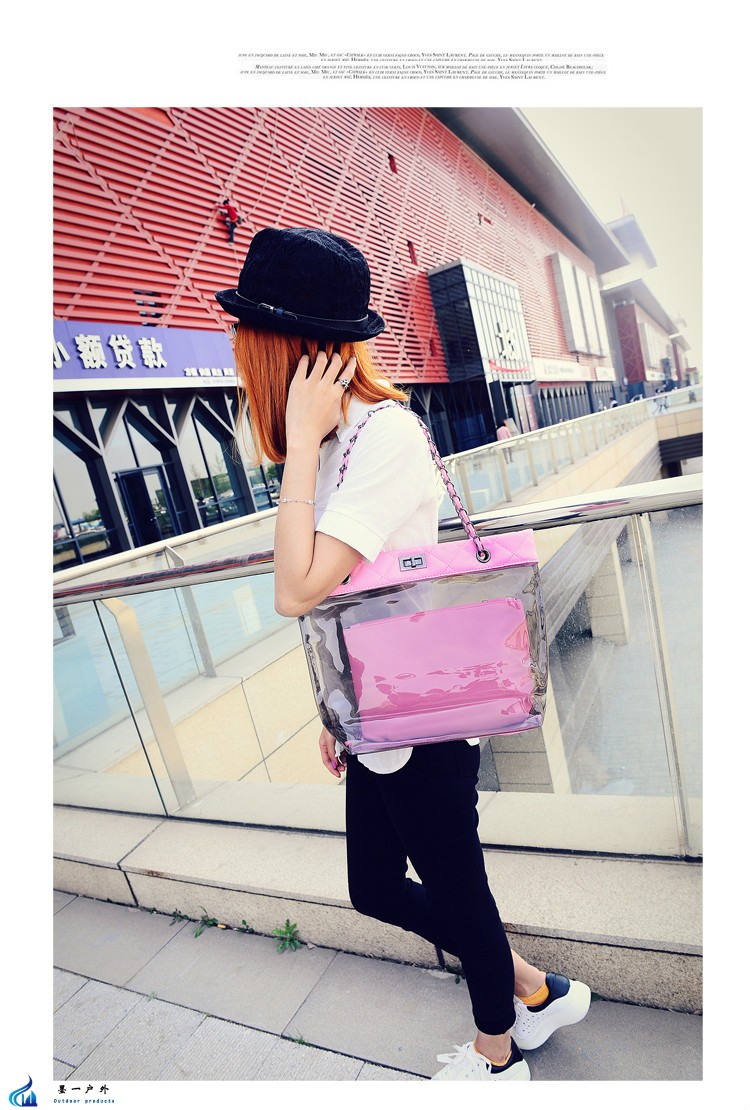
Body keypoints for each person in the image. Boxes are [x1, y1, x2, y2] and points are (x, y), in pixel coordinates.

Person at [215, 226, 591, 1082]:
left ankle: (498, 1059)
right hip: (373, 710)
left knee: (458, 888)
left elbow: (295, 588)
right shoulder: (336, 443)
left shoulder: (381, 437)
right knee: (377, 889)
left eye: (247, 334)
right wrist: (335, 714)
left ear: (291, 347)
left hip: (422, 710)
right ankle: (536, 990)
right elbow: (336, 600)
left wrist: (299, 440)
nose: (237, 350)